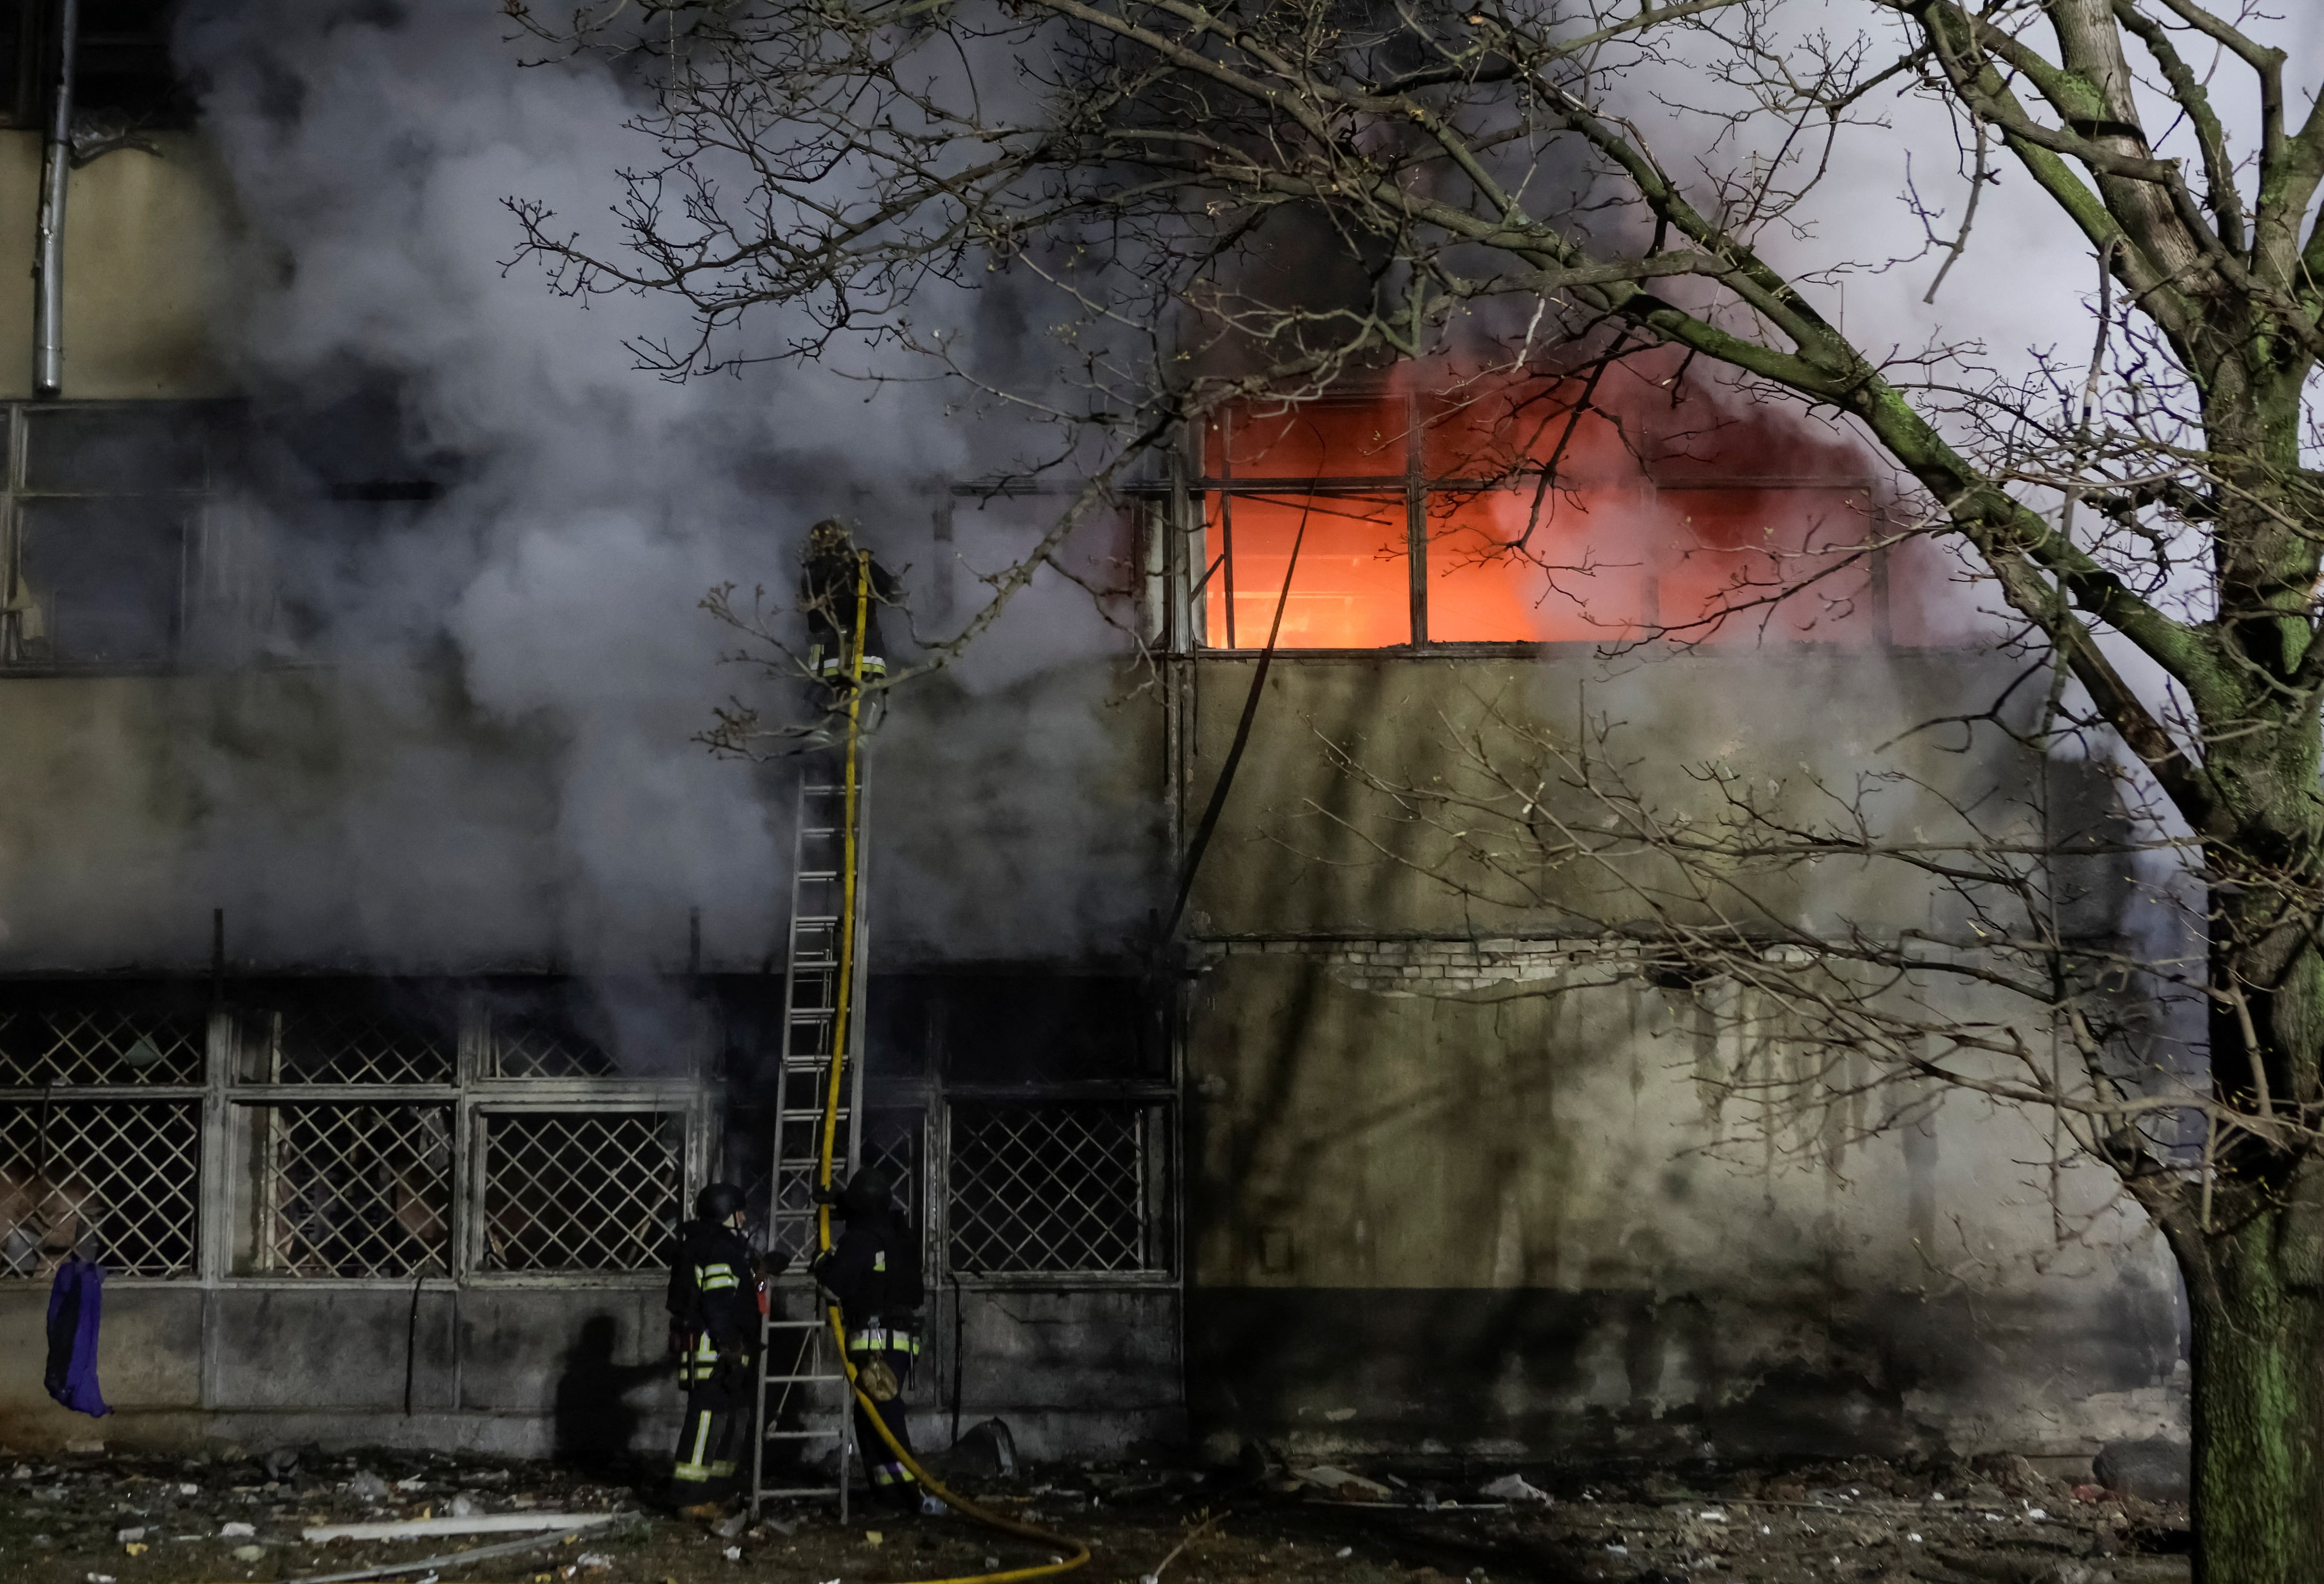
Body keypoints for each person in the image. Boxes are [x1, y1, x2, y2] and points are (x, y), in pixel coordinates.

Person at [809, 1166, 929, 1510]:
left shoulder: (860, 1239)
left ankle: (907, 1494)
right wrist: (835, 1202)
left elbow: (834, 1286)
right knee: (872, 1416)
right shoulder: (897, 1235)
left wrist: (821, 1260)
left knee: (884, 1418)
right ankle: (889, 1492)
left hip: (876, 1345)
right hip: (898, 1341)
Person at [664, 1181, 767, 1511]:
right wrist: (731, 1343)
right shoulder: (719, 1248)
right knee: (707, 1418)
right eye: (741, 1212)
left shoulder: (709, 1245)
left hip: (718, 1349)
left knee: (732, 1415)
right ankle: (690, 1497)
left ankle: (718, 1490)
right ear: (730, 1214)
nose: (744, 1218)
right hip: (715, 1350)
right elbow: (718, 1300)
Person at [799, 519, 902, 684]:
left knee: (824, 706)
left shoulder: (811, 573)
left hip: (827, 662)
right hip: (866, 656)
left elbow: (815, 624)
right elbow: (895, 595)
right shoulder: (861, 563)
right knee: (866, 705)